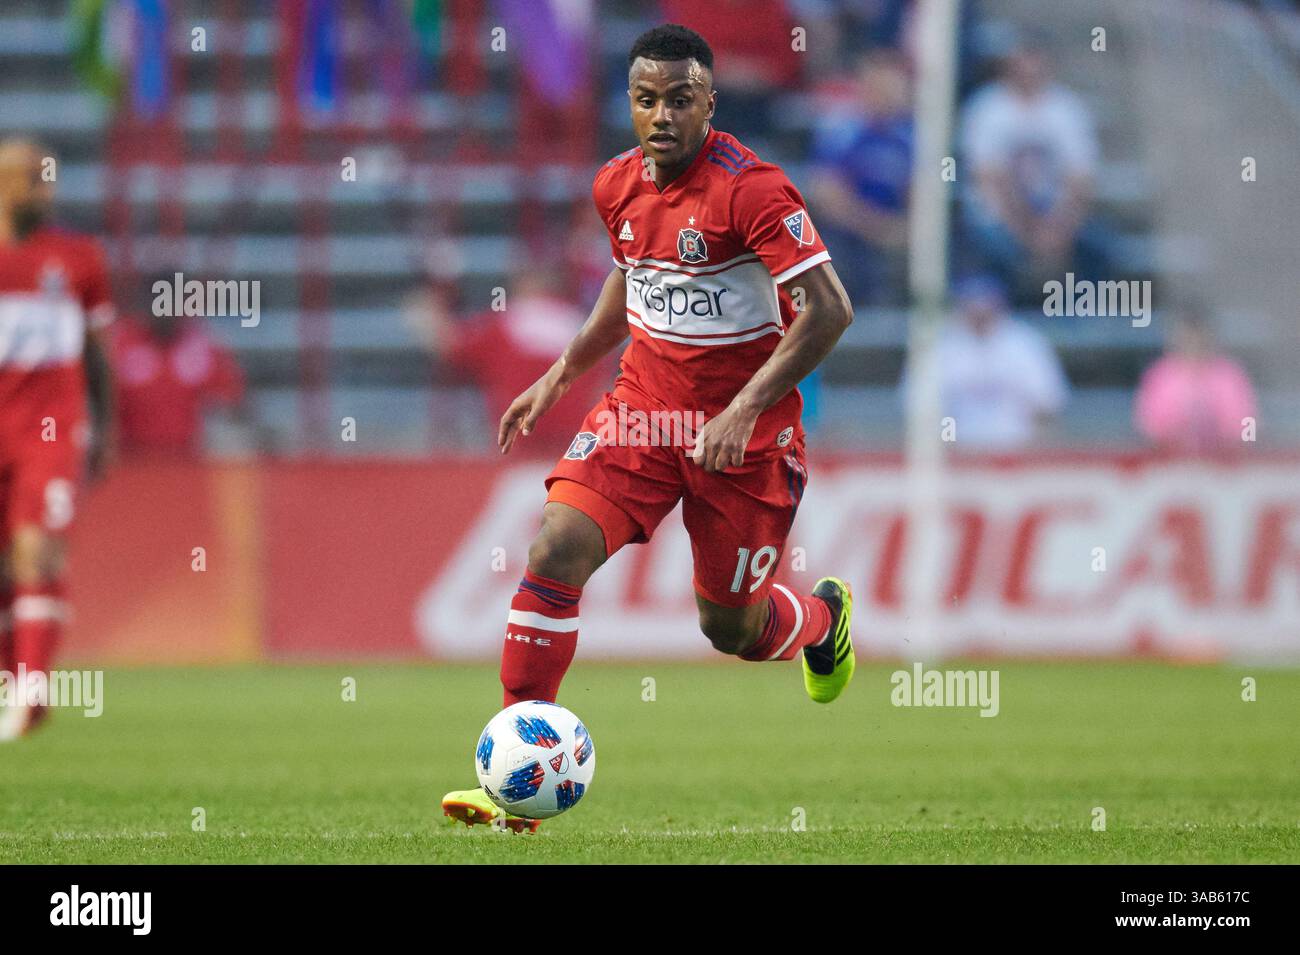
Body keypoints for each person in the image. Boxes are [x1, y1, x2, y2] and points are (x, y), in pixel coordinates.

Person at [442, 24, 857, 831]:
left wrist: (743, 408)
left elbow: (830, 309)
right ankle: (513, 783)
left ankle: (821, 621)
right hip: (641, 411)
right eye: (645, 99)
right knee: (554, 546)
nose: (660, 115)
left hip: (747, 438)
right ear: (628, 103)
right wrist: (563, 369)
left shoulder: (754, 191)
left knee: (729, 627)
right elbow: (630, 280)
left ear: (708, 102)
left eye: (677, 99)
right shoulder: (615, 186)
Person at [0, 138, 115, 740]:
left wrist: (108, 424)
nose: (40, 192)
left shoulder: (78, 257)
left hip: (49, 429)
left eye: (47, 180)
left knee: (35, 549)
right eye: (27, 180)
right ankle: (11, 686)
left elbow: (100, 352)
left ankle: (31, 691)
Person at [959, 33, 1107, 299]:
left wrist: (1060, 226)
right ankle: (1011, 316)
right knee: (993, 250)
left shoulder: (1067, 109)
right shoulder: (987, 109)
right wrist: (1026, 229)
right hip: (1000, 216)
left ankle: (1081, 321)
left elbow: (1081, 177)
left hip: (1056, 213)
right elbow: (989, 179)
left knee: (1101, 249)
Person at [407, 269, 606, 456]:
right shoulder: (583, 324)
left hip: (520, 446)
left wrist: (424, 308)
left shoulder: (508, 320)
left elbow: (448, 344)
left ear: (525, 285)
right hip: (576, 446)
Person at [914, 275, 1068, 449]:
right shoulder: (942, 346)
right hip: (959, 452)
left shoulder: (1025, 344)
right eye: (972, 306)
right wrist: (948, 444)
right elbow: (924, 410)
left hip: (1017, 451)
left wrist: (1032, 450)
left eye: (986, 305)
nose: (980, 312)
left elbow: (1047, 405)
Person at [810, 48, 913, 306]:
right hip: (850, 232)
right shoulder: (842, 131)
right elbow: (828, 196)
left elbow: (920, 189)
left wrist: (906, 227)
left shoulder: (910, 134)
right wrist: (879, 229)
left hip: (898, 228)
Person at [110, 305, 248, 457]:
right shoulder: (122, 343)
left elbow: (233, 401)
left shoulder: (201, 344)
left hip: (189, 458)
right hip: (131, 458)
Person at [1134, 306, 1257, 454]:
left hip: (1225, 466)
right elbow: (1147, 426)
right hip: (1170, 464)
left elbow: (1249, 425)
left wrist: (1232, 440)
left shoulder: (1230, 375)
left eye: (1199, 338)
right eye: (1188, 339)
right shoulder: (1160, 376)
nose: (1194, 344)